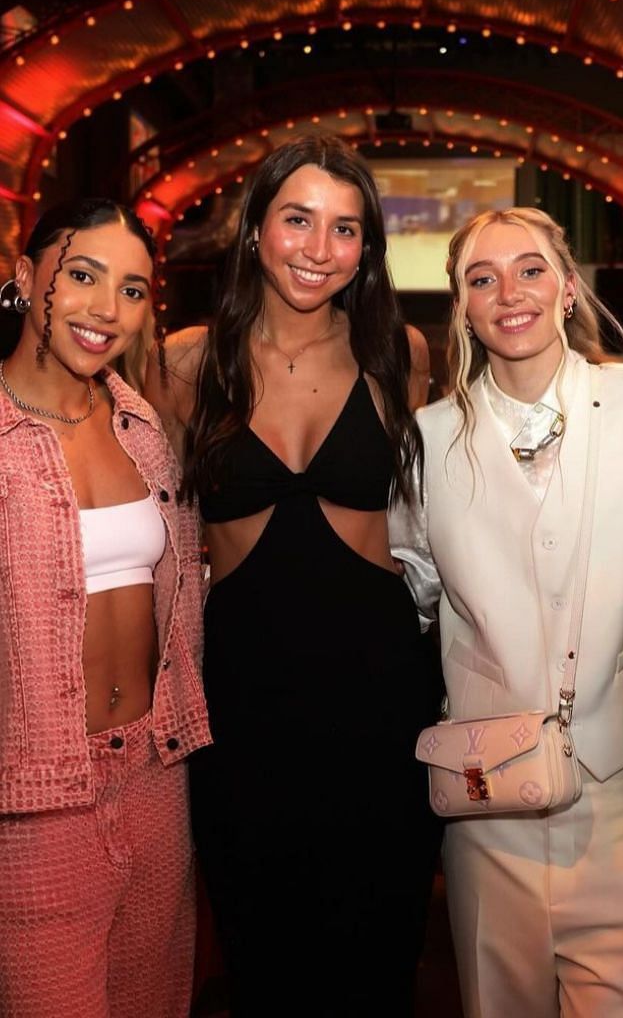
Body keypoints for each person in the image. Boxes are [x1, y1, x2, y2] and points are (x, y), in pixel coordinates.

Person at [146, 134, 440, 1015]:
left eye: (345, 229)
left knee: (378, 960)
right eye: (298, 221)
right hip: (242, 711)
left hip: (383, 706)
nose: (319, 250)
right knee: (261, 960)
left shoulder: (403, 356)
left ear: (368, 248)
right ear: (254, 229)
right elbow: (158, 528)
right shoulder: (188, 363)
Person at [390, 207, 623, 1017]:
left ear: (565, 288)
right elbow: (414, 590)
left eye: (529, 269)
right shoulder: (428, 437)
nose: (508, 292)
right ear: (461, 305)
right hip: (487, 798)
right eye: (481, 279)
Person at [0, 198, 208, 1018]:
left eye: (131, 289)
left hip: (158, 774)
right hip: (34, 798)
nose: (106, 310)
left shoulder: (140, 425)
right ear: (24, 278)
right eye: (81, 276)